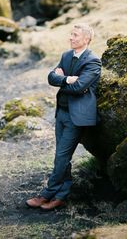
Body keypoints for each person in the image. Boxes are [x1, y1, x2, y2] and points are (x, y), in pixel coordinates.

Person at [26, 23, 102, 210]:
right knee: (62, 156)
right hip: (60, 113)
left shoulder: (93, 61)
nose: (71, 37)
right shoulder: (66, 56)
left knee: (61, 156)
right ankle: (61, 195)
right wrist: (67, 79)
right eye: (71, 34)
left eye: (75, 35)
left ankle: (46, 194)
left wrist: (64, 80)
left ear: (86, 39)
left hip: (76, 118)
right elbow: (51, 78)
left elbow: (79, 88)